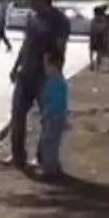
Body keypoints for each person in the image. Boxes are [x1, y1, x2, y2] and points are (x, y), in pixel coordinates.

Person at [7, 0, 70, 168]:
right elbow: (26, 45)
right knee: (17, 115)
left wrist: (54, 72)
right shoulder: (32, 18)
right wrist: (15, 66)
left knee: (46, 118)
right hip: (25, 73)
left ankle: (43, 158)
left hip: (45, 76)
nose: (29, 2)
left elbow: (60, 48)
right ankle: (18, 156)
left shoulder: (59, 21)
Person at [37, 50, 69, 179]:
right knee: (53, 143)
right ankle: (54, 166)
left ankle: (49, 170)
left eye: (47, 65)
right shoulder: (58, 81)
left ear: (54, 66)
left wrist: (47, 113)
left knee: (49, 143)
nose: (45, 69)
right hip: (57, 118)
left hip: (53, 118)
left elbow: (55, 103)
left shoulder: (55, 83)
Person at [88, 5, 109, 71]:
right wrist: (106, 37)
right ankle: (97, 66)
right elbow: (106, 28)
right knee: (99, 51)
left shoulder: (94, 19)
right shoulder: (104, 19)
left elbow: (92, 27)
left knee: (92, 50)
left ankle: (92, 63)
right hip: (100, 36)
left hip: (94, 35)